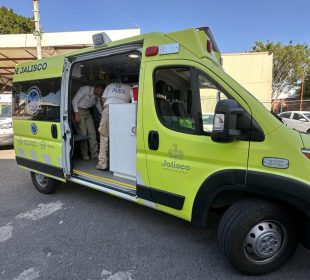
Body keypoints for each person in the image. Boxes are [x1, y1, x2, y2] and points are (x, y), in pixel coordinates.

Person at [97, 82, 131, 170]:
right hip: (124, 110)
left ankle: (102, 163)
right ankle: (121, 162)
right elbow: (134, 101)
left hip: (109, 107)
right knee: (122, 137)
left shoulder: (109, 85)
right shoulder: (129, 87)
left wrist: (105, 109)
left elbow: (103, 98)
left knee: (104, 136)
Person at [72, 83, 105, 160]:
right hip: (79, 110)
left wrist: (104, 116)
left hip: (87, 112)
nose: (102, 94)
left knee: (92, 132)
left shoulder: (97, 97)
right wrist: (76, 114)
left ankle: (94, 153)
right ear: (98, 88)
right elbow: (74, 101)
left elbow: (99, 107)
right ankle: (84, 154)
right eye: (102, 91)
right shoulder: (85, 89)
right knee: (83, 133)